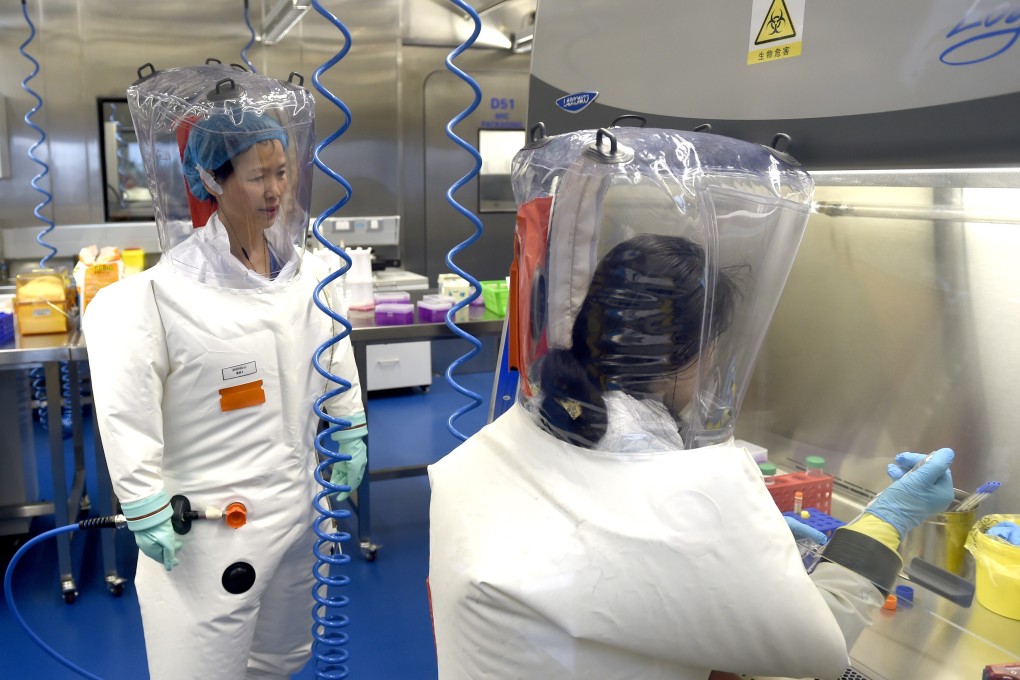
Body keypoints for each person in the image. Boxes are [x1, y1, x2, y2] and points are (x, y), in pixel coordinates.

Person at [428, 127, 955, 679]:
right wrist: (888, 520)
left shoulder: (526, 428)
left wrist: (739, 547)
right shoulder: (675, 483)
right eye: (713, 347)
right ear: (693, 353)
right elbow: (820, 646)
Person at [83, 64, 366, 680]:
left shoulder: (311, 277)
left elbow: (334, 354)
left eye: (282, 171)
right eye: (258, 176)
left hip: (299, 512)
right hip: (211, 531)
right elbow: (126, 408)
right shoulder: (155, 299)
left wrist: (350, 425)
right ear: (211, 179)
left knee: (282, 659)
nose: (275, 190)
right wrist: (142, 499)